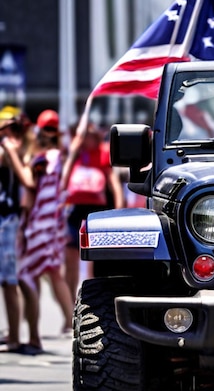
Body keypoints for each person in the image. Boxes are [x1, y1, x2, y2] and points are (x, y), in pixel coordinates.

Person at [2, 109, 75, 350]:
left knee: (26, 276)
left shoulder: (46, 158)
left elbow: (29, 183)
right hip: (44, 226)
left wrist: (13, 152)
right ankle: (29, 332)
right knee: (34, 277)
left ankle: (32, 336)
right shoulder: (54, 156)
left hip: (40, 227)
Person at [63, 121, 124, 295]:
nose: (85, 138)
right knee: (70, 257)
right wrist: (74, 151)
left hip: (95, 212)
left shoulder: (102, 153)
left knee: (91, 259)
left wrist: (119, 210)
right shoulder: (73, 154)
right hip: (74, 210)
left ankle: (88, 296)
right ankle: (70, 302)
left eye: (89, 134)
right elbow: (63, 181)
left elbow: (114, 183)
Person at [0, 107, 26, 352]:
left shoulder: (11, 148)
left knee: (9, 281)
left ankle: (16, 337)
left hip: (6, 221)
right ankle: (11, 334)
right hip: (5, 220)